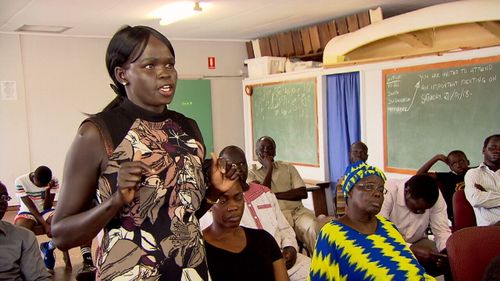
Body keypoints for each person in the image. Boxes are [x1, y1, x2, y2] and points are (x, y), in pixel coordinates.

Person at [50, 25, 236, 280]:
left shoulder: (188, 128)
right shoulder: (97, 133)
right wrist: (115, 201)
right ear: (122, 74)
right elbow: (61, 234)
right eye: (150, 66)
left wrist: (213, 191)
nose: (165, 74)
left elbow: (180, 215)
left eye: (170, 65)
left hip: (190, 270)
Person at [200, 145, 311, 280]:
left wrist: (290, 248)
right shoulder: (202, 248)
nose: (233, 206)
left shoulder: (264, 237)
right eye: (223, 200)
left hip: (280, 257)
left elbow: (284, 228)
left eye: (242, 164)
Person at [309, 162, 434, 281]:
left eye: (381, 189)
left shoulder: (388, 227)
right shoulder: (331, 234)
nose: (377, 194)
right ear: (350, 191)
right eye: (369, 187)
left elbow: (411, 267)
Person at [14, 166, 95, 279]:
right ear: (33, 178)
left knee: (63, 228)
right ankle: (25, 266)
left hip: (46, 210)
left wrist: (47, 190)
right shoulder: (20, 181)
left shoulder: (53, 181)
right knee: (21, 232)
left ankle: (49, 247)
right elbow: (31, 207)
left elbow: (47, 206)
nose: (41, 187)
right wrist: (45, 225)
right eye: (39, 185)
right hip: (27, 211)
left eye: (44, 185)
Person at [248, 136, 325, 254]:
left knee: (313, 227)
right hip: (276, 216)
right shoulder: (251, 173)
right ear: (256, 152)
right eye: (262, 148)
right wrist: (269, 168)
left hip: (297, 212)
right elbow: (263, 197)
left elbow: (302, 192)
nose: (266, 151)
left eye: (270, 148)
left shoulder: (288, 168)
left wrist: (274, 195)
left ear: (275, 152)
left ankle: (320, 265)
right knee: (278, 239)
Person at [203, 178, 290, 281]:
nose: (233, 206)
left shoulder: (263, 239)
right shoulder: (199, 250)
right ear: (209, 205)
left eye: (239, 198)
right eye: (223, 200)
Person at [380, 174, 451, 277]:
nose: (422, 212)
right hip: (388, 243)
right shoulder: (388, 190)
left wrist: (445, 253)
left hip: (418, 241)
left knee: (447, 260)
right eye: (418, 208)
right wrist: (411, 249)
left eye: (426, 209)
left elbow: (442, 232)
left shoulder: (434, 195)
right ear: (407, 192)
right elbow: (380, 233)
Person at [0, 181, 51, 280]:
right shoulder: (22, 181)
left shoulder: (23, 237)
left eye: (4, 197)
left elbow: (38, 278)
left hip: (43, 212)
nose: (2, 201)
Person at [417, 151, 471, 223]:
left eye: (461, 161)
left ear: (467, 162)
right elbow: (419, 175)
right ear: (450, 167)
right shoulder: (447, 177)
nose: (458, 165)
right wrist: (437, 158)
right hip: (457, 215)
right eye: (453, 163)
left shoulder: (476, 172)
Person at [464, 134, 500, 226]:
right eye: (493, 148)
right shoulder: (473, 173)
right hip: (489, 231)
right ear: (483, 150)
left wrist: (487, 195)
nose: (497, 151)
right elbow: (476, 200)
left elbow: (482, 199)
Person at [335, 141, 369, 216]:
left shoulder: (371, 174)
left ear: (366, 156)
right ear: (350, 155)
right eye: (355, 152)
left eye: (362, 152)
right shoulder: (348, 170)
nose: (359, 155)